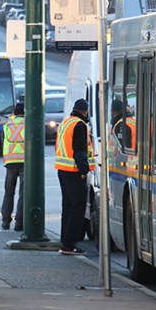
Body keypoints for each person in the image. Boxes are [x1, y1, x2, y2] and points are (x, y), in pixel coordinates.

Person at [55, 98, 95, 255]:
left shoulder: (66, 123)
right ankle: (69, 244)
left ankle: (65, 242)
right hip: (73, 172)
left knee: (68, 207)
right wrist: (84, 171)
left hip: (62, 170)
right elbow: (80, 153)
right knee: (78, 207)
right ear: (85, 111)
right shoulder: (80, 125)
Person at [1, 103, 26, 231]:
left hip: (10, 162)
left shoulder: (7, 125)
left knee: (9, 193)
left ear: (14, 113)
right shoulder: (28, 124)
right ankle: (19, 223)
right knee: (23, 194)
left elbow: (3, 142)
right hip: (24, 162)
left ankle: (5, 222)